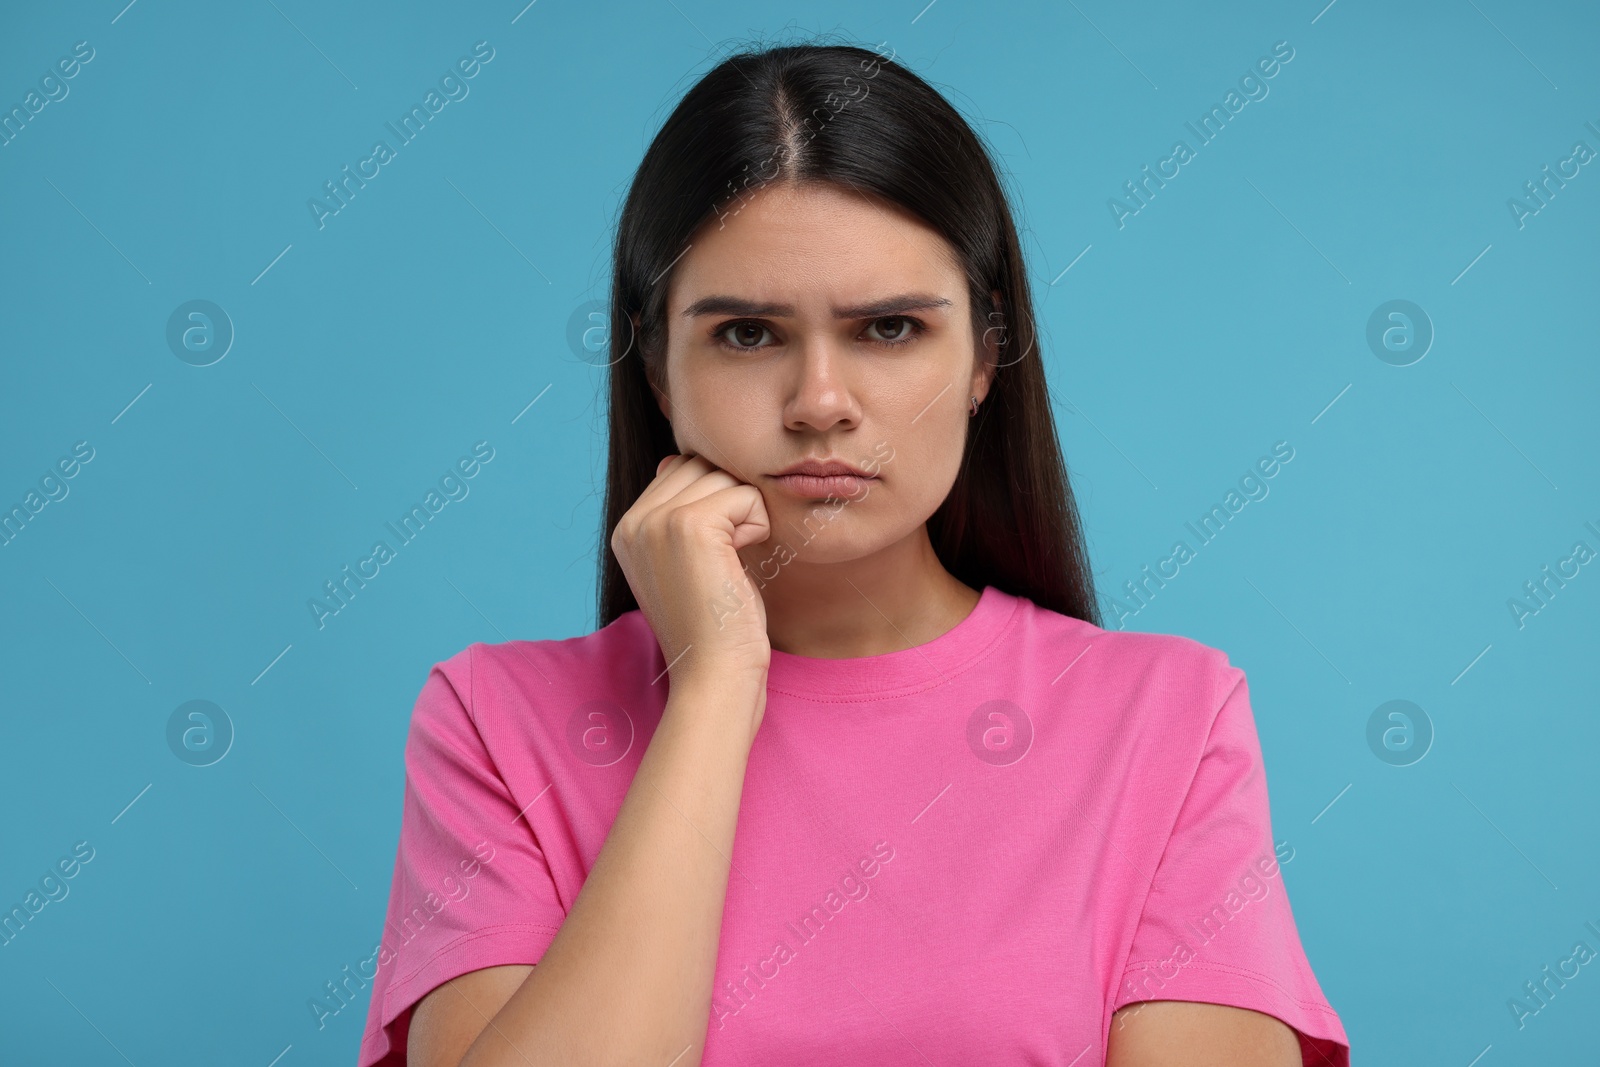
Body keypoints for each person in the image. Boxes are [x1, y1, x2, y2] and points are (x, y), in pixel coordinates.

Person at [355, 38, 1350, 1067]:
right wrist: (711, 692)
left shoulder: (1169, 720)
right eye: (746, 334)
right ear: (655, 366)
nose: (819, 403)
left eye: (887, 328)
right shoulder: (493, 723)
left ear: (983, 355)